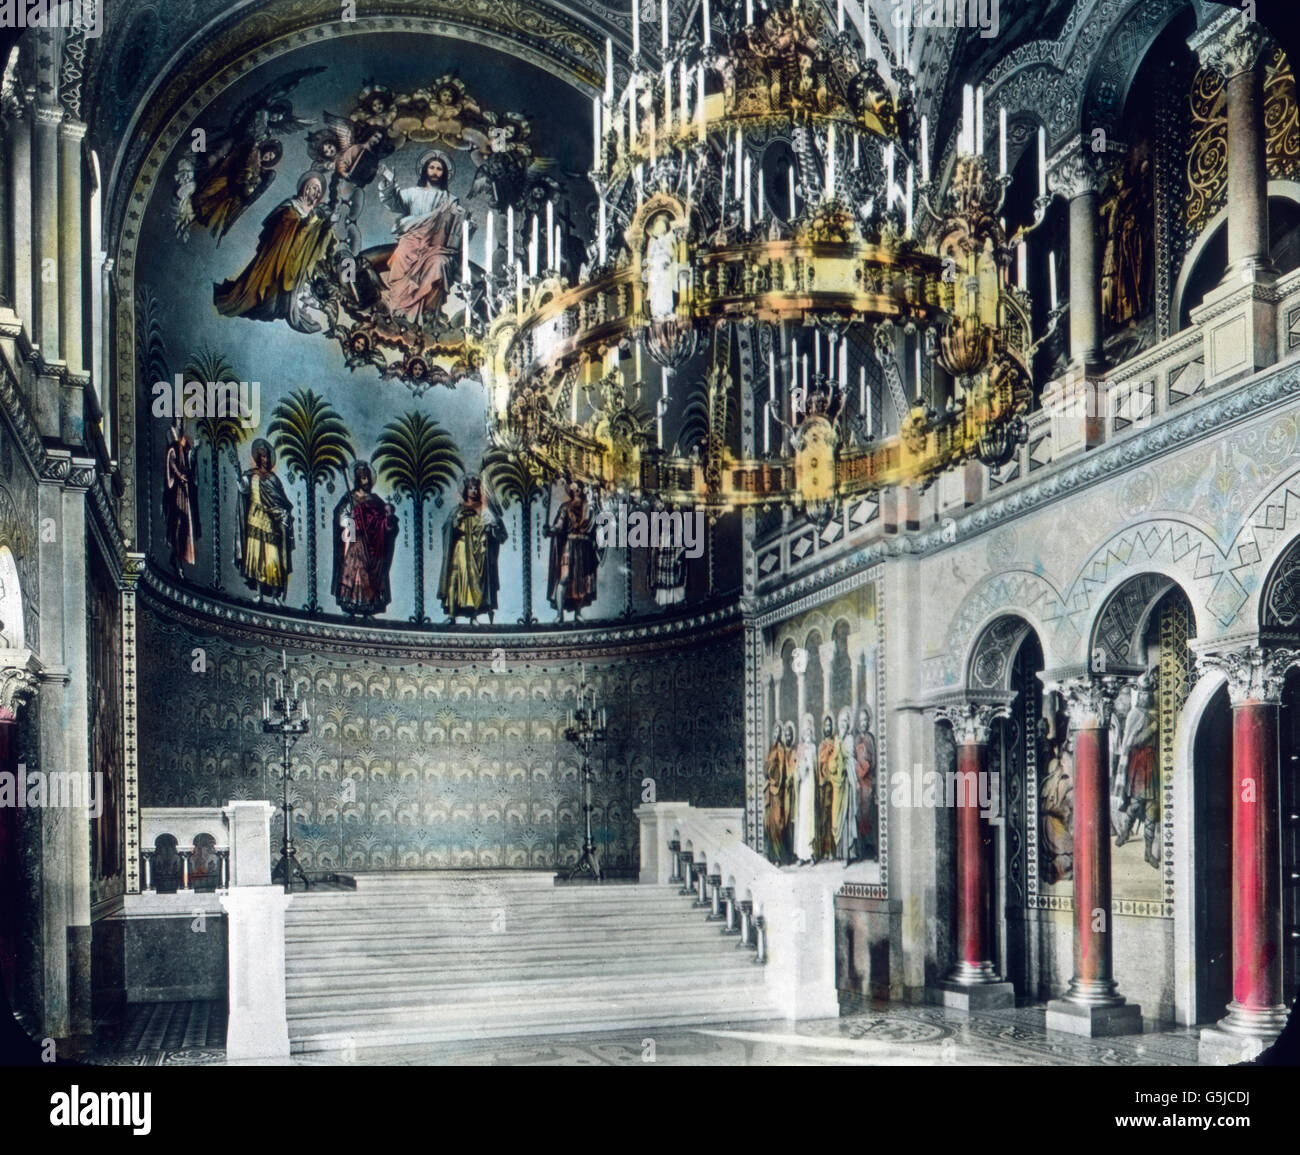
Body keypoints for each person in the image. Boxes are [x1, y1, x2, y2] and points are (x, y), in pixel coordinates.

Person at [214, 170, 334, 326]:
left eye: (318, 191)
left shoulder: (315, 215)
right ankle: (244, 300)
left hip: (294, 256)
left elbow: (312, 238)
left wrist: (324, 225)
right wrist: (304, 223)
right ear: (305, 187)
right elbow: (280, 223)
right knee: (261, 278)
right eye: (314, 188)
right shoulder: (292, 205)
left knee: (277, 290)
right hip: (276, 250)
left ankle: (268, 303)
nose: (316, 193)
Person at [377, 150, 466, 325]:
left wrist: (461, 218)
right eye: (431, 167)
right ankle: (398, 302)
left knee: (440, 264)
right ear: (425, 170)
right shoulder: (412, 193)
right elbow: (393, 202)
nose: (435, 171)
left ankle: (427, 311)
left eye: (439, 169)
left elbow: (456, 226)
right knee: (400, 256)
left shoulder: (450, 199)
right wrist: (388, 182)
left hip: (436, 246)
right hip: (411, 240)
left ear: (444, 174)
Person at [332, 460, 399, 617]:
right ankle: (350, 606)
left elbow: (384, 521)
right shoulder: (350, 497)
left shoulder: (375, 500)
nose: (365, 480)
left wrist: (388, 523)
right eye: (362, 477)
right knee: (353, 570)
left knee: (369, 574)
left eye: (367, 477)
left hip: (372, 543)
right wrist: (349, 517)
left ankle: (368, 607)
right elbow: (340, 517)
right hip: (355, 540)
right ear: (356, 479)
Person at [438, 475, 507, 623]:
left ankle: (473, 616)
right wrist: (454, 525)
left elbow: (499, 533)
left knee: (475, 582)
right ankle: (451, 615)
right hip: (460, 548)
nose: (474, 491)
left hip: (477, 552)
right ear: (465, 490)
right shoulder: (457, 510)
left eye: (476, 488)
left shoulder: (484, 510)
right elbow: (447, 529)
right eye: (471, 488)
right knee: (454, 580)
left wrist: (491, 530)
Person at [234, 438, 294, 602]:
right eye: (263, 457)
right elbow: (243, 489)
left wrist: (283, 514)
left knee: (273, 559)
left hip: (271, 522)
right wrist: (237, 474)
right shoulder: (251, 476)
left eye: (268, 456)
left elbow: (282, 502)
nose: (266, 460)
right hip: (254, 520)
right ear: (259, 458)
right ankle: (259, 593)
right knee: (257, 559)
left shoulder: (273, 479)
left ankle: (275, 595)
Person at [1116, 680, 1160, 868]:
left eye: (1149, 694)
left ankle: (1148, 852)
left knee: (1153, 808)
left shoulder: (1156, 712)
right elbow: (1132, 742)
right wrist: (1151, 729)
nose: (1146, 697)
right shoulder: (1136, 714)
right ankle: (1124, 832)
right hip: (1140, 764)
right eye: (1143, 694)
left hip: (1153, 763)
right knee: (1136, 803)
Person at [544, 481, 601, 621]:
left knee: (581, 581)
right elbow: (558, 526)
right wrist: (550, 530)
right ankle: (559, 614)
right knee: (564, 578)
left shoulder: (590, 509)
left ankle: (578, 613)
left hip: (584, 547)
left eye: (577, 489)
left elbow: (597, 528)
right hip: (569, 545)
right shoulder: (565, 507)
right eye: (572, 489)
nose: (574, 491)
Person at [162, 418, 201, 579]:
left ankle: (180, 559)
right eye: (178, 421)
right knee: (177, 523)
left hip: (184, 491)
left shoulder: (185, 446)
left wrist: (195, 451)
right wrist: (179, 475)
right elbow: (171, 463)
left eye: (181, 421)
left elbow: (190, 465)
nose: (180, 424)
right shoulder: (173, 447)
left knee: (186, 525)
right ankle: (175, 559)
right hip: (176, 491)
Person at [817, 713, 849, 860]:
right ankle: (824, 850)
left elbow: (837, 759)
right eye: (826, 725)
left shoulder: (836, 742)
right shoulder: (821, 745)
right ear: (823, 727)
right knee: (823, 816)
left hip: (833, 784)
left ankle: (833, 851)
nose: (828, 728)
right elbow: (819, 763)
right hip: (822, 784)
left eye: (830, 725)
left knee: (832, 815)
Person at [852, 706, 877, 860]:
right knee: (859, 815)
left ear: (869, 722)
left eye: (865, 720)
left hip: (867, 782)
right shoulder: (856, 739)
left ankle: (873, 850)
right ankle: (861, 852)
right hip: (858, 783)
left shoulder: (870, 738)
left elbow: (872, 760)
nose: (863, 723)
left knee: (869, 815)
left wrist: (864, 769)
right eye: (861, 720)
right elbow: (854, 758)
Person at [763, 722, 790, 865]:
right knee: (770, 825)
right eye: (775, 732)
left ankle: (779, 858)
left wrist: (773, 779)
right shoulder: (770, 749)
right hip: (770, 791)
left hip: (776, 791)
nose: (776, 735)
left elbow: (781, 769)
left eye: (778, 733)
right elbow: (766, 767)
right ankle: (772, 857)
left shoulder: (780, 749)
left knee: (777, 823)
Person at [792, 714, 818, 865]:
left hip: (811, 785)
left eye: (809, 730)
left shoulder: (814, 747)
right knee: (803, 818)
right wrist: (802, 768)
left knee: (811, 819)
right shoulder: (800, 748)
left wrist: (810, 764)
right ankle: (802, 855)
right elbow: (797, 768)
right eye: (805, 730)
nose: (807, 733)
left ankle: (812, 854)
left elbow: (816, 766)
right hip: (803, 786)